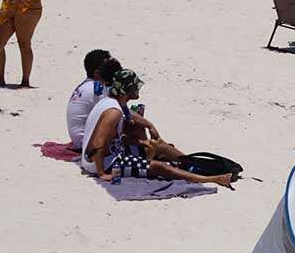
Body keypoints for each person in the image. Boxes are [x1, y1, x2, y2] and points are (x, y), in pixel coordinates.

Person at [79, 68, 233, 188]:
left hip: (112, 153)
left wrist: (142, 140)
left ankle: (192, 164)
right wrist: (101, 173)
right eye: (135, 86)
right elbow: (99, 142)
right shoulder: (114, 112)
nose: (138, 89)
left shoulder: (115, 102)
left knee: (158, 145)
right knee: (158, 167)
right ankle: (210, 179)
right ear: (126, 91)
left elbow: (115, 137)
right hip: (106, 163)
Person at [66, 49, 113, 150]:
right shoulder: (96, 89)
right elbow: (113, 113)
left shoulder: (85, 85)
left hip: (79, 139)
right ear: (97, 73)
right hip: (86, 143)